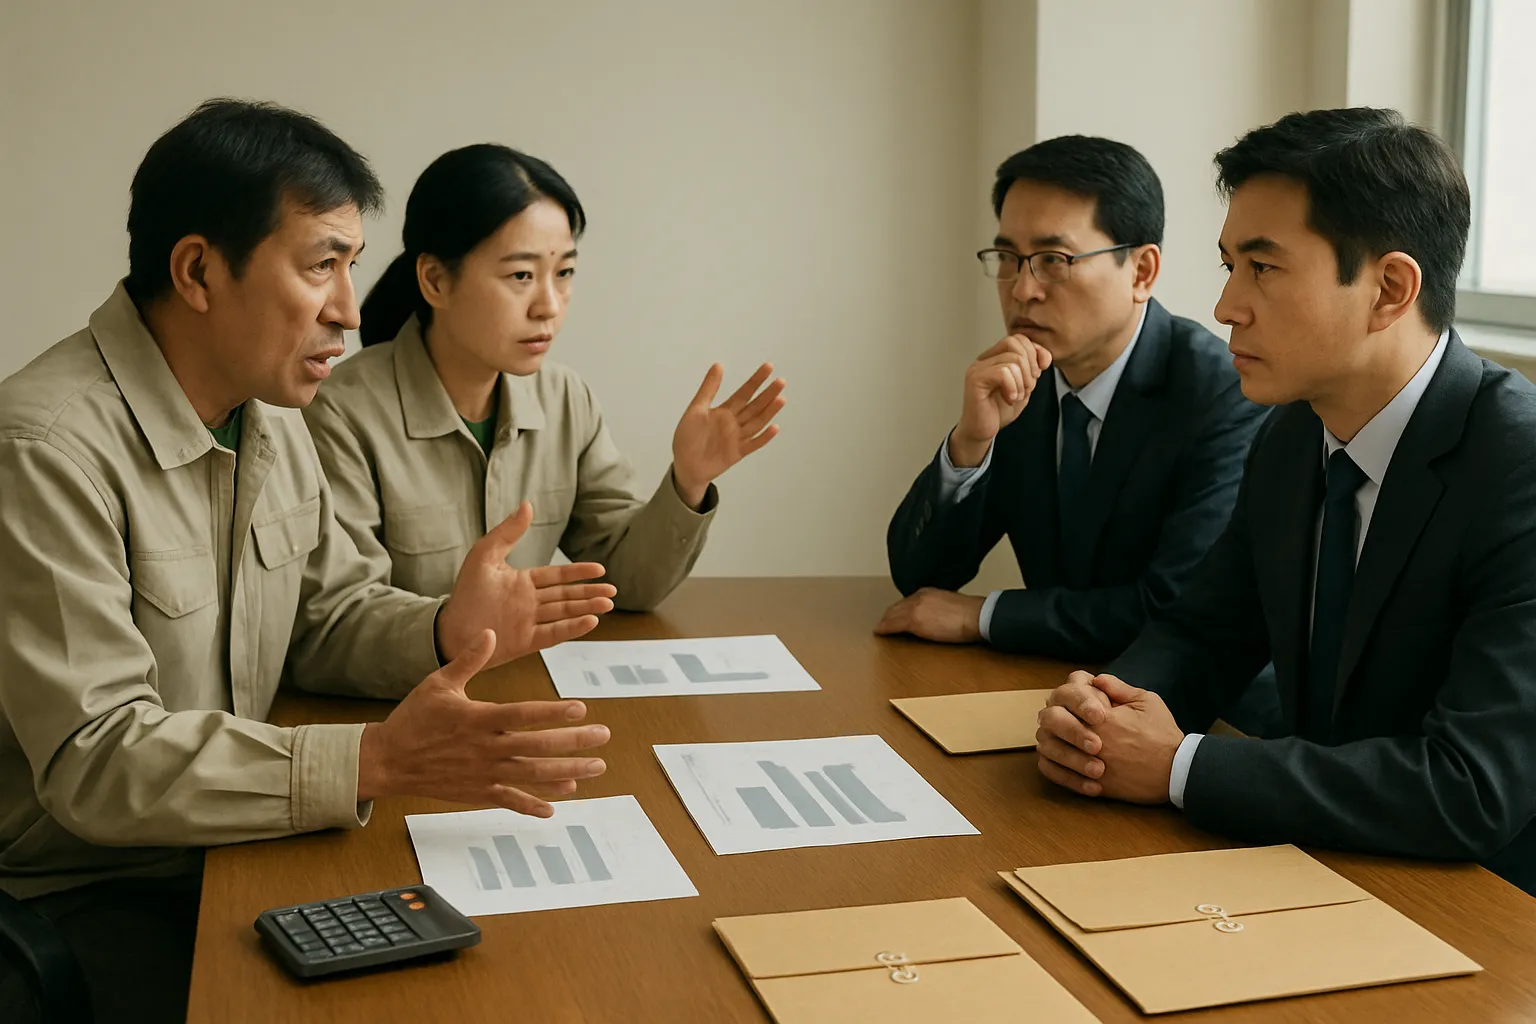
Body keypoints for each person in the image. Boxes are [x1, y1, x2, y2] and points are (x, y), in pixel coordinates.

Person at [0, 101, 617, 1023]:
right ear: (199, 270)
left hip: (242, 835)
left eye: (352, 265)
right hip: (92, 886)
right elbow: (98, 759)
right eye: (320, 263)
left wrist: (449, 627)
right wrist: (366, 760)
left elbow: (319, 624)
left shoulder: (273, 420)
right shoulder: (45, 447)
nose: (348, 307)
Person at [1033, 107, 1536, 897]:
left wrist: (1178, 766)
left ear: (1390, 289)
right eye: (1230, 265)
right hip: (1319, 865)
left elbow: (1470, 786)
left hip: (1481, 907)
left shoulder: (1518, 463)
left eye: (1262, 269)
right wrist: (1105, 715)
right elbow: (1204, 632)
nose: (1228, 304)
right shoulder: (1291, 436)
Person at [304, 144, 786, 608]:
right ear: (435, 280)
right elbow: (339, 616)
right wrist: (452, 628)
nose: (549, 306)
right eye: (521, 276)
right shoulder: (343, 414)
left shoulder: (565, 399)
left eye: (565, 273)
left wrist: (689, 481)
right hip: (408, 690)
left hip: (529, 678)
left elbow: (625, 581)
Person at [880, 136, 1267, 669]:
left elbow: (1173, 608)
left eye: (1054, 260)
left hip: (1201, 717)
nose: (1021, 290)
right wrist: (971, 442)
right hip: (1053, 686)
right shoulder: (1024, 379)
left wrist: (983, 615)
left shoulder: (1220, 394)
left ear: (1142, 272)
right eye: (1009, 259)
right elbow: (920, 580)